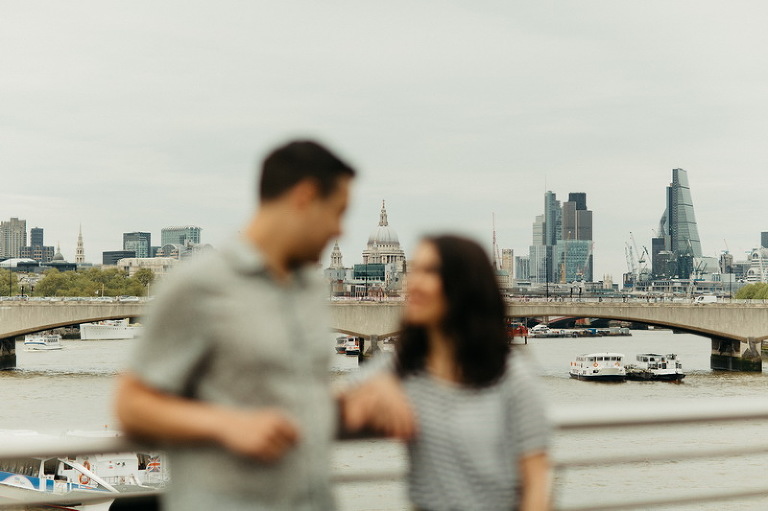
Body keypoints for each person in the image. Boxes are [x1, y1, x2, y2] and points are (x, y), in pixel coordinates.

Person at [115, 139, 372, 510]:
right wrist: (226, 424)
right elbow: (131, 405)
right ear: (305, 197)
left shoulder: (313, 289)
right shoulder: (198, 285)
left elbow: (288, 398)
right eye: (337, 212)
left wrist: (356, 402)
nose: (340, 231)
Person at [343, 235, 551, 511]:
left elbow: (537, 485)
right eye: (414, 271)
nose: (411, 282)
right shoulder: (400, 369)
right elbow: (323, 409)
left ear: (463, 285)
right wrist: (372, 387)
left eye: (429, 272)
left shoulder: (512, 376)